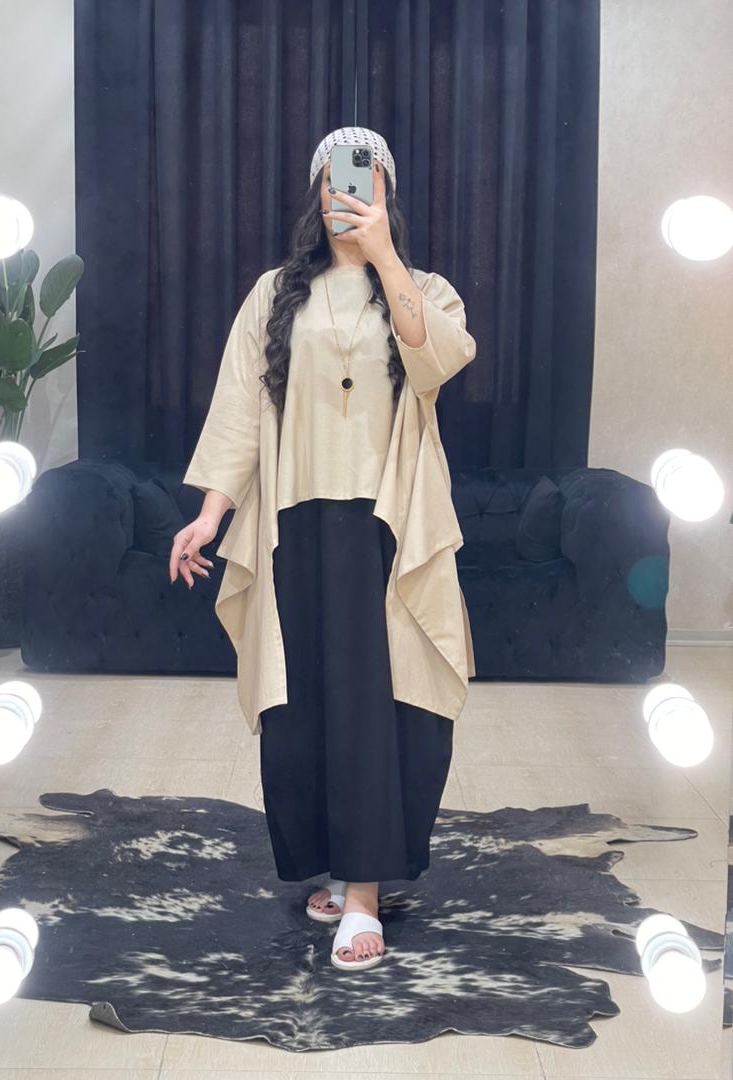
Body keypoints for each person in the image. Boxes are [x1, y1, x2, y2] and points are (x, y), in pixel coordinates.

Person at [170, 127, 477, 972]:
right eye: (337, 179)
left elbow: (439, 360)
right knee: (303, 709)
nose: (350, 192)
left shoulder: (423, 289)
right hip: (293, 526)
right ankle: (342, 869)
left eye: (367, 178)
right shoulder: (274, 295)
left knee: (378, 708)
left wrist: (383, 257)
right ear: (317, 193)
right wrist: (211, 513)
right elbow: (239, 408)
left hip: (386, 526)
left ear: (386, 192)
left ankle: (365, 895)